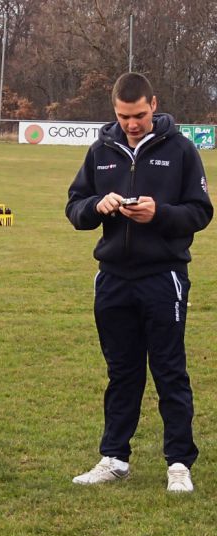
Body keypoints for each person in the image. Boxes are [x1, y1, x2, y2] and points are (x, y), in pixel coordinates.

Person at [66, 73, 213, 492]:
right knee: (122, 373)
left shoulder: (181, 149)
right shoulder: (101, 151)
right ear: (115, 111)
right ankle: (114, 458)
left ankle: (179, 464)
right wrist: (98, 205)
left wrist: (158, 213)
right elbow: (75, 208)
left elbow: (201, 212)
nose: (132, 124)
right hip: (113, 279)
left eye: (139, 115)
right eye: (123, 116)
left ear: (154, 105)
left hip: (163, 278)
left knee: (169, 371)